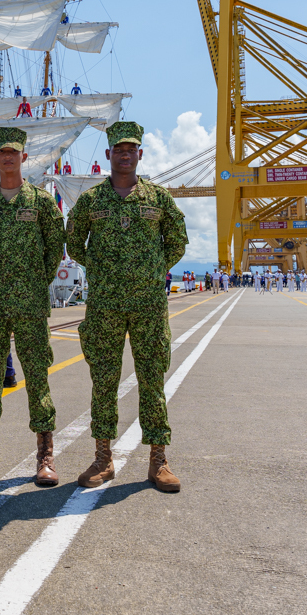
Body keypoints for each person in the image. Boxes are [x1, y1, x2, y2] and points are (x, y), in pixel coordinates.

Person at [66, 121, 188, 492]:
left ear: (140, 154)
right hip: (104, 305)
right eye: (118, 148)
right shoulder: (90, 201)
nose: (124, 154)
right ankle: (103, 458)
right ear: (108, 154)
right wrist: (103, 271)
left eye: (130, 148)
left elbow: (178, 240)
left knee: (153, 379)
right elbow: (74, 244)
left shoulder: (158, 198)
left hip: (148, 304)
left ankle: (158, 460)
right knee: (103, 379)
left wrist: (152, 271)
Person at [0, 126, 65, 485]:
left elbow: (55, 249)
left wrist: (34, 281)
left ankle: (45, 456)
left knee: (37, 377)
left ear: (23, 157)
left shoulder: (41, 203)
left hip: (30, 303)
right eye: (1, 153)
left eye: (14, 152)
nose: (7, 158)